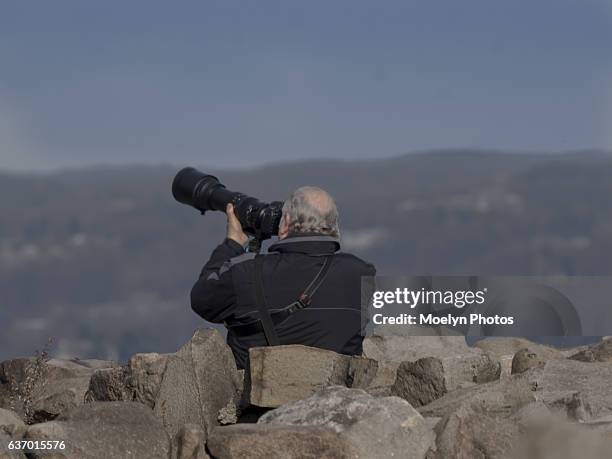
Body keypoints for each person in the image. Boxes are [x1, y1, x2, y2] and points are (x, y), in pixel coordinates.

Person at [190, 186, 376, 369]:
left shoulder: (246, 272)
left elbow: (202, 300)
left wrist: (232, 244)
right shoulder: (362, 272)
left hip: (259, 397)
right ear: (334, 226)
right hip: (338, 394)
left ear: (285, 222)